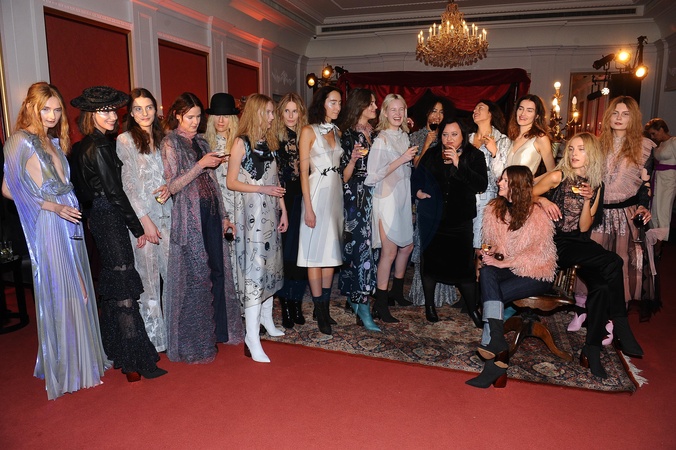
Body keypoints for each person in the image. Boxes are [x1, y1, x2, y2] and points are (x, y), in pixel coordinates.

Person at [2, 82, 110, 399]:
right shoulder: (19, 140)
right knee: (64, 289)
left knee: (81, 287)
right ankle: (69, 368)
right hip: (50, 223)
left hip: (69, 219)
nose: (51, 115)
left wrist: (68, 208)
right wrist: (52, 207)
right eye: (45, 109)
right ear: (30, 108)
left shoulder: (52, 141)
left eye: (57, 109)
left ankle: (85, 361)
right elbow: (8, 189)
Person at [70, 85, 165, 382]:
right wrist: (138, 226)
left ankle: (115, 349)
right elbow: (115, 192)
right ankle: (135, 362)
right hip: (111, 218)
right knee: (124, 289)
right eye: (104, 111)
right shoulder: (99, 146)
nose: (112, 116)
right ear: (90, 114)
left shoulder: (86, 144)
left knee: (114, 288)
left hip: (99, 218)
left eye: (113, 110)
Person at [534, 132, 644, 378]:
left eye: (581, 149)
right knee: (614, 260)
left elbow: (584, 227)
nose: (574, 154)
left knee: (602, 287)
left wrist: (587, 200)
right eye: (571, 149)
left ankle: (592, 349)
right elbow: (524, 195)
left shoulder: (597, 184)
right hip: (556, 244)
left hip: (580, 243)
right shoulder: (558, 176)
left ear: (592, 154)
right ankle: (621, 325)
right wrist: (542, 200)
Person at [161, 92, 243, 364]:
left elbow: (213, 183)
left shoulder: (201, 140)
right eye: (190, 117)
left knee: (218, 271)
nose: (195, 122)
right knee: (197, 275)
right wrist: (200, 164)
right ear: (177, 116)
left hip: (211, 212)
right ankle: (197, 340)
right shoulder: (170, 142)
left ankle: (219, 331)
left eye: (198, 117)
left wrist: (224, 216)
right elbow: (173, 186)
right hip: (190, 215)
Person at [466, 165, 556, 388]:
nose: (499, 183)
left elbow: (539, 254)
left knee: (491, 296)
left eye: (505, 180)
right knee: (488, 272)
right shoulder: (494, 209)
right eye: (501, 179)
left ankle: (494, 358)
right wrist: (487, 253)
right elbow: (495, 244)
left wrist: (504, 262)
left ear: (517, 185)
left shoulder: (538, 214)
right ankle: (498, 343)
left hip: (535, 272)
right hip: (508, 268)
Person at [226, 94, 288, 363]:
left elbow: (275, 181)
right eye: (269, 112)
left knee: (270, 268)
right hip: (251, 218)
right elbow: (231, 182)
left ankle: (266, 321)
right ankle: (251, 337)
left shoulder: (268, 143)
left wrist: (283, 209)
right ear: (257, 113)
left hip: (270, 215)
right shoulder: (241, 143)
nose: (273, 117)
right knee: (255, 271)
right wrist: (262, 189)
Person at [412, 118, 487, 326]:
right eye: (445, 134)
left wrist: (458, 163)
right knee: (430, 266)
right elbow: (416, 178)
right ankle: (429, 306)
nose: (449, 139)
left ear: (463, 135)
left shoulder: (474, 155)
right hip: (432, 220)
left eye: (454, 134)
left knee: (465, 269)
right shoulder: (432, 154)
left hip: (460, 221)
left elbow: (481, 184)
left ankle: (473, 310)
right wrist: (417, 192)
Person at [116, 88, 171, 352]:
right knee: (148, 281)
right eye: (138, 109)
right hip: (143, 218)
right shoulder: (125, 140)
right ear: (130, 112)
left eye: (149, 107)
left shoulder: (164, 139)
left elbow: (173, 174)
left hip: (168, 215)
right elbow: (129, 186)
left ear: (156, 109)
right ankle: (153, 341)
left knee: (172, 276)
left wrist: (171, 186)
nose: (144, 113)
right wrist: (145, 222)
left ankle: (174, 334)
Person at [592, 96, 656, 319]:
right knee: (594, 260)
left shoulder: (644, 147)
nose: (619, 118)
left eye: (625, 114)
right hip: (598, 212)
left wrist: (643, 206)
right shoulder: (596, 144)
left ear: (633, 118)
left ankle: (616, 314)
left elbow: (646, 185)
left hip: (626, 214)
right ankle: (590, 308)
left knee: (622, 263)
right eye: (615, 113)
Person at [365, 93, 417, 323]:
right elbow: (372, 176)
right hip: (386, 200)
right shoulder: (382, 140)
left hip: (402, 198)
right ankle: (380, 304)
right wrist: (402, 159)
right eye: (392, 109)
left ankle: (394, 293)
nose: (397, 114)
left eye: (401, 109)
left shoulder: (404, 136)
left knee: (405, 246)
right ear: (385, 113)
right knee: (389, 252)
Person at [297, 86, 344, 335]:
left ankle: (323, 308)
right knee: (315, 255)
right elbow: (303, 173)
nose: (337, 107)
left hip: (335, 197)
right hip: (315, 195)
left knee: (330, 254)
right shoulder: (308, 131)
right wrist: (309, 208)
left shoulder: (337, 130)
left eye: (339, 103)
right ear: (322, 103)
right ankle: (320, 311)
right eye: (333, 102)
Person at [408, 96, 458, 308]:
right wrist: (427, 144)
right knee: (425, 245)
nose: (437, 116)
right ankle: (423, 295)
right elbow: (416, 168)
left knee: (444, 247)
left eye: (441, 112)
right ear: (426, 113)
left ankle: (444, 293)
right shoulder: (416, 136)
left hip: (445, 197)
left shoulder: (448, 135)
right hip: (426, 197)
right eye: (434, 111)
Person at [338, 88, 380, 332]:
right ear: (359, 106)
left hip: (376, 197)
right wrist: (353, 159)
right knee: (360, 250)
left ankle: (355, 297)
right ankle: (362, 306)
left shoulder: (376, 133)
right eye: (370, 103)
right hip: (356, 198)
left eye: (375, 103)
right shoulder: (348, 135)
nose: (375, 107)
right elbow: (343, 177)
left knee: (373, 250)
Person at [273, 92, 309, 329]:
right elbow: (275, 177)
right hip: (284, 201)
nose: (290, 115)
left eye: (295, 111)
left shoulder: (307, 135)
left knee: (302, 255)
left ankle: (297, 302)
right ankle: (286, 304)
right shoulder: (275, 139)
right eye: (286, 110)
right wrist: (282, 207)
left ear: (301, 113)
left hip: (304, 199)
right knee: (286, 256)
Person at [505, 94, 556, 176]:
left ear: (537, 116)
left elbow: (552, 172)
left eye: (529, 110)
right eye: (520, 108)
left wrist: (532, 181)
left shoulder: (540, 138)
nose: (523, 113)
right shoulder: (512, 137)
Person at [645, 118, 676, 246]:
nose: (653, 137)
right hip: (657, 178)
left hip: (669, 181)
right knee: (654, 209)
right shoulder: (659, 145)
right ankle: (655, 239)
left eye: (654, 133)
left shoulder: (674, 142)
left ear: (661, 129)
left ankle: (660, 243)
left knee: (663, 211)